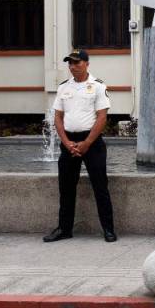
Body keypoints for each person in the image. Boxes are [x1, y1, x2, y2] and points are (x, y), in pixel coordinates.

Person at [43, 50, 117, 243]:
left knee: (100, 187)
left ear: (86, 64)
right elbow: (58, 117)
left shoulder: (98, 86)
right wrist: (67, 143)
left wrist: (86, 143)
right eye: (70, 63)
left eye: (76, 62)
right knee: (66, 188)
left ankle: (108, 229)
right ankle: (64, 229)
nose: (72, 66)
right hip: (69, 142)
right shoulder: (63, 88)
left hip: (91, 142)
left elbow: (102, 117)